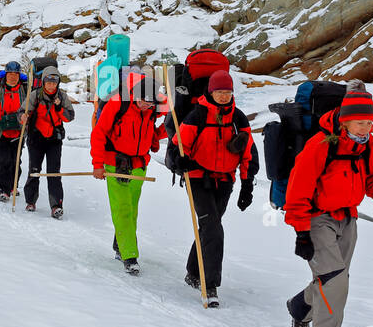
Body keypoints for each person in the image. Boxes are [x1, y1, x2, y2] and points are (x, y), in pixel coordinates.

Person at [282, 84, 373, 327]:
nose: (367, 128)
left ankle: (300, 307)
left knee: (333, 281)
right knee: (334, 282)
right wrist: (301, 232)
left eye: (370, 122)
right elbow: (298, 191)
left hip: (348, 219)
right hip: (317, 219)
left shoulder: (366, 145)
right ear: (345, 121)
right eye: (361, 122)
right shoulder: (319, 146)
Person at [173, 70, 253, 307]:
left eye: (227, 92)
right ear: (210, 92)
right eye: (219, 91)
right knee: (213, 228)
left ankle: (192, 272)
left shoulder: (238, 119)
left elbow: (248, 154)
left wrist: (247, 185)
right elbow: (179, 145)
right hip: (198, 178)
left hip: (225, 181)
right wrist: (180, 161)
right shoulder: (197, 115)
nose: (224, 96)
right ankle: (210, 285)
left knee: (209, 228)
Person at [90, 71, 165, 275]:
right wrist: (97, 164)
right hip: (114, 164)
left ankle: (120, 244)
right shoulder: (118, 104)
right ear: (135, 94)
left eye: (150, 103)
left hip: (139, 165)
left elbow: (171, 113)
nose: (145, 106)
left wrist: (167, 126)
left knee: (131, 210)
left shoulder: (153, 108)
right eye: (142, 102)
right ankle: (129, 255)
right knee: (122, 209)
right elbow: (99, 134)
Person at [20, 67, 75, 217]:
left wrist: (59, 108)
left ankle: (56, 205)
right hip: (36, 138)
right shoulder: (35, 95)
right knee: (34, 171)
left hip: (54, 140)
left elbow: (70, 117)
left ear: (58, 83)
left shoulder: (62, 96)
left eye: (54, 82)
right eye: (48, 82)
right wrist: (23, 117)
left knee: (54, 172)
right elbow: (22, 111)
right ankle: (30, 201)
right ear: (43, 82)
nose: (51, 86)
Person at [0, 60, 29, 201]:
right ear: (6, 75)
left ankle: (13, 186)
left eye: (15, 74)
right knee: (4, 161)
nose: (13, 77)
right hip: (2, 131)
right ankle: (3, 190)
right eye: (10, 74)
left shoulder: (25, 91)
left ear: (19, 75)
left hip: (19, 131)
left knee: (16, 161)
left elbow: (30, 108)